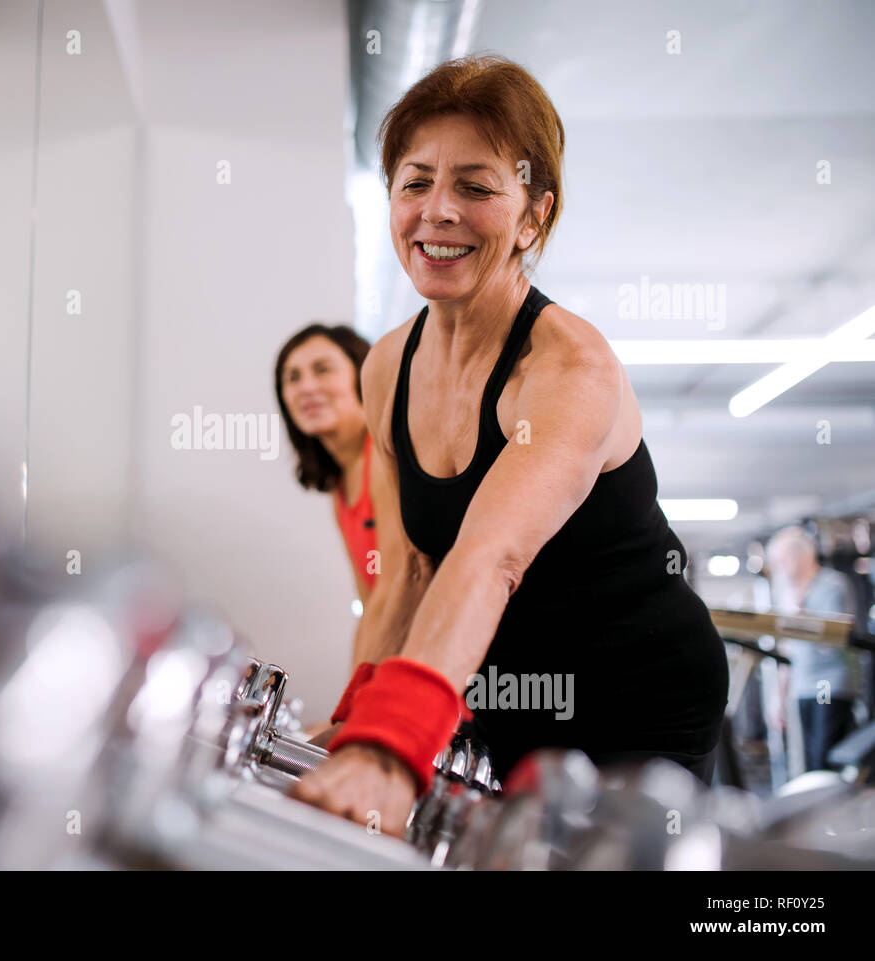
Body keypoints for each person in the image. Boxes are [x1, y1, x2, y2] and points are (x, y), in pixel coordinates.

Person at [292, 55, 728, 835]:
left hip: (639, 695)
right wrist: (358, 724)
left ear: (533, 216)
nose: (438, 211)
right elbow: (407, 573)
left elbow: (489, 557)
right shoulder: (388, 366)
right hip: (508, 690)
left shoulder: (569, 366)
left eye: (476, 186)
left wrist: (394, 746)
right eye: (416, 182)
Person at [275, 324, 379, 607]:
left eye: (323, 369)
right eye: (293, 377)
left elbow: (396, 596)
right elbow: (370, 604)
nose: (306, 387)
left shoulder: (385, 456)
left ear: (362, 375)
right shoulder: (340, 484)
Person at [766, 525, 866, 772]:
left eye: (782, 561)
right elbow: (788, 649)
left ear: (799, 557)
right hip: (804, 685)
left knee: (825, 752)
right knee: (811, 757)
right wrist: (779, 698)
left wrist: (800, 614)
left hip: (827, 683)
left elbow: (830, 643)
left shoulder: (831, 585)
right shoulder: (788, 593)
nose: (779, 569)